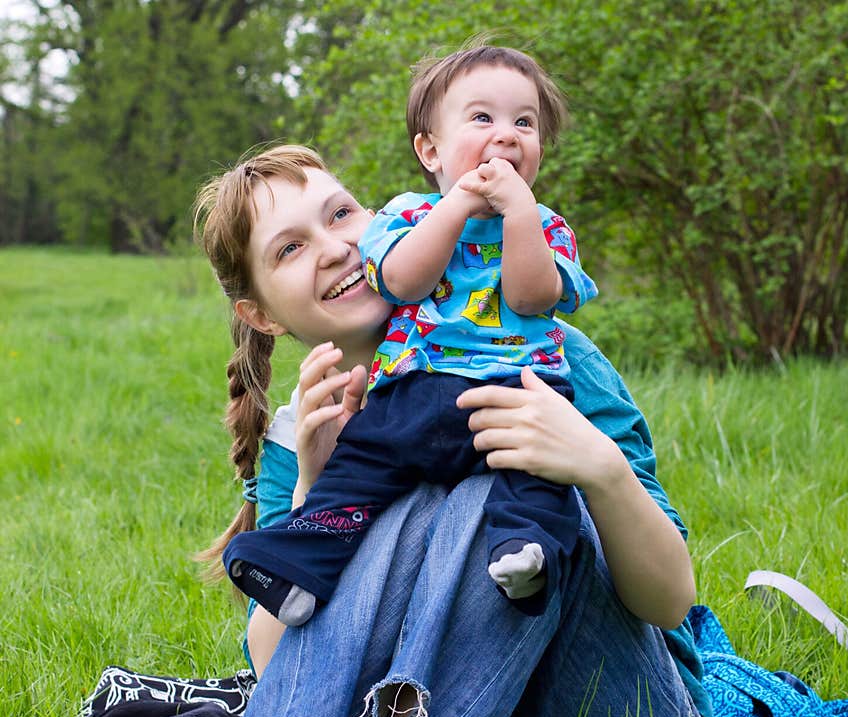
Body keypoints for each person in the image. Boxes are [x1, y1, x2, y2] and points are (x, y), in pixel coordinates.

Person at [117, 141, 712, 717]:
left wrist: (597, 468)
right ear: (259, 312)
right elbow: (276, 663)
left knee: (480, 484)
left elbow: (669, 601)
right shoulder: (309, 421)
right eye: (291, 248)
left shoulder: (537, 344)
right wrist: (313, 487)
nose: (333, 248)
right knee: (382, 493)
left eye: (341, 214)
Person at [221, 44, 598, 628]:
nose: (506, 136)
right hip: (413, 396)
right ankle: (295, 562)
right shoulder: (411, 217)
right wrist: (460, 205)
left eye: (524, 123)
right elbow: (401, 278)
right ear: (431, 150)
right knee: (355, 472)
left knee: (529, 485)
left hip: (513, 391)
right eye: (482, 119)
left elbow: (529, 297)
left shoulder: (547, 228)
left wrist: (520, 212)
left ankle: (527, 557)